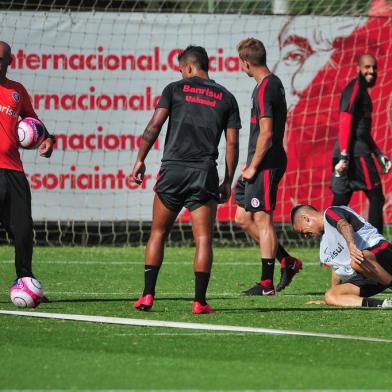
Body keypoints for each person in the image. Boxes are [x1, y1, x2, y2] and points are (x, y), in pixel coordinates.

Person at [131, 45, 241, 314]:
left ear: (189, 67)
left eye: (181, 69)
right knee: (203, 240)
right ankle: (200, 302)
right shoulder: (226, 97)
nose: (180, 74)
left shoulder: (174, 89)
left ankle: (147, 296)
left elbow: (153, 126)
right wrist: (228, 180)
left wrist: (140, 159)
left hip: (173, 171)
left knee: (158, 232)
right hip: (204, 173)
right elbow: (232, 142)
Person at [234, 38, 301, 296]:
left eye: (241, 63)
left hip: (266, 164)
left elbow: (266, 134)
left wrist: (253, 166)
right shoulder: (270, 84)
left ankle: (266, 284)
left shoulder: (265, 88)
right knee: (242, 217)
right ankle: (287, 261)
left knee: (262, 219)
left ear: (246, 63)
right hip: (260, 162)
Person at [0, 42, 55, 292]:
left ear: (10, 61)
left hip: (13, 171)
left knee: (23, 229)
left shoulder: (17, 91)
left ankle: (26, 282)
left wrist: (48, 139)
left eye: (1, 59)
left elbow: (34, 122)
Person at [331, 54, 391, 234]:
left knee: (340, 202)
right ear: (358, 68)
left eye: (374, 68)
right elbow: (344, 121)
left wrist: (379, 153)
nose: (371, 71)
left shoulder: (363, 92)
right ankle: (378, 246)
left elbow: (362, 131)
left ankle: (328, 249)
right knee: (376, 197)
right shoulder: (354, 89)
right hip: (354, 155)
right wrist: (344, 155)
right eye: (367, 67)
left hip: (352, 153)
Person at [291, 204, 392, 308]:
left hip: (381, 255)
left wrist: (351, 245)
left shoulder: (330, 212)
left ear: (306, 218)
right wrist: (334, 293)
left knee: (357, 260)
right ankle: (384, 304)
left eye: (302, 231)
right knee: (330, 295)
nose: (305, 236)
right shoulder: (325, 243)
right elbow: (337, 269)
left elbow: (344, 225)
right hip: (369, 274)